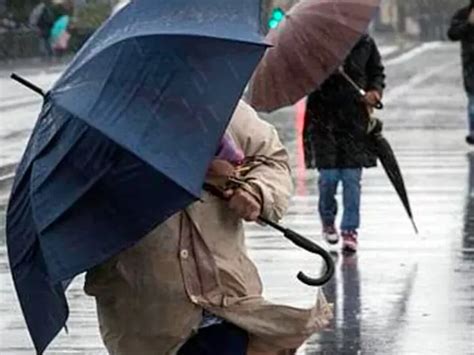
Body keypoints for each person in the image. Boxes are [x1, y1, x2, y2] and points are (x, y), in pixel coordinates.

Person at [84, 100, 332, 355]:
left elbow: (270, 160)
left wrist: (256, 190)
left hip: (226, 306)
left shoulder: (219, 105)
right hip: (145, 320)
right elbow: (78, 208)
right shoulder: (95, 124)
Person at [303, 34, 386, 253]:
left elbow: (376, 72)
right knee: (328, 179)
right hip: (323, 122)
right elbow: (304, 76)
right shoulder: (317, 44)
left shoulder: (365, 42)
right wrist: (326, 70)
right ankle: (328, 220)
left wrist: (374, 91)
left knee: (351, 179)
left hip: (354, 122)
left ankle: (350, 230)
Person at [447, 1, 474, 145]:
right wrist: (469, 24)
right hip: (471, 65)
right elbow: (452, 34)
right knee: (473, 100)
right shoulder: (463, 14)